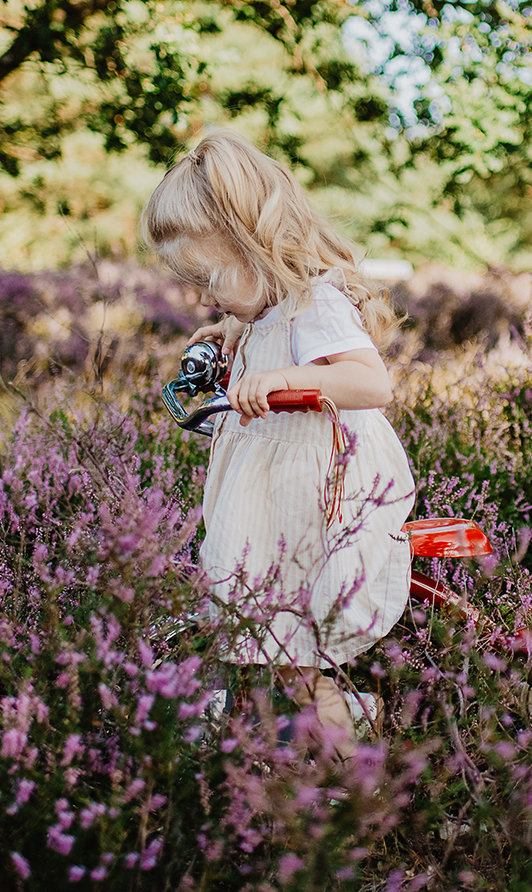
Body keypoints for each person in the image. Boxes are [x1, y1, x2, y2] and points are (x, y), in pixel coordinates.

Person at [141, 129, 416, 759]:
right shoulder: (265, 310)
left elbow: (370, 383)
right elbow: (257, 321)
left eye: (210, 278)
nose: (202, 296)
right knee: (265, 634)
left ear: (255, 245)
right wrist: (234, 325)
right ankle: (304, 743)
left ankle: (353, 764)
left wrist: (282, 378)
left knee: (293, 646)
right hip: (272, 499)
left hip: (314, 498)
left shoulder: (314, 302)